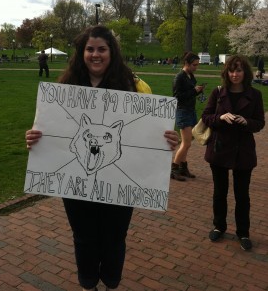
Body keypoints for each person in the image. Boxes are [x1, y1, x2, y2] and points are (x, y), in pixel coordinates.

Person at [25, 25, 179, 291]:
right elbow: (52, 130)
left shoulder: (135, 87)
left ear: (112, 52)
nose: (95, 55)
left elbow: (149, 133)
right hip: (76, 181)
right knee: (83, 237)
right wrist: (35, 138)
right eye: (90, 49)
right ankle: (88, 284)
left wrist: (166, 140)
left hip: (120, 181)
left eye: (101, 49)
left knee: (114, 237)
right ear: (82, 52)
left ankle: (111, 283)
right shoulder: (66, 87)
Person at [201, 55, 265, 250]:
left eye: (238, 70)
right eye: (231, 70)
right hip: (220, 149)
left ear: (245, 72)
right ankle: (219, 226)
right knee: (220, 192)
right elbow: (205, 117)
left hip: (242, 151)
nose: (235, 74)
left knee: (242, 195)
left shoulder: (255, 95)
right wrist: (220, 117)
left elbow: (260, 123)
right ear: (226, 73)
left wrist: (247, 122)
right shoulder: (218, 92)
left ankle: (243, 232)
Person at [171, 51, 205, 181]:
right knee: (186, 143)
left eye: (197, 65)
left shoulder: (190, 75)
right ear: (186, 63)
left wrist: (197, 91)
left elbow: (189, 93)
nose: (196, 67)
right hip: (183, 111)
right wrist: (194, 91)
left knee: (188, 142)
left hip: (190, 110)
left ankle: (183, 167)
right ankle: (174, 168)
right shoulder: (179, 77)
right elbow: (177, 97)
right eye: (194, 65)